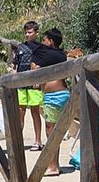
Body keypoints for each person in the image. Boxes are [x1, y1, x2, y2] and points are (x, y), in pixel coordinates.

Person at [29, 28, 73, 174]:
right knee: (56, 131)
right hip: (64, 94)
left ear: (51, 41)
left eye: (45, 40)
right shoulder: (61, 55)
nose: (43, 42)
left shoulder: (44, 54)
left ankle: (53, 166)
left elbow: (34, 69)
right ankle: (55, 164)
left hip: (52, 96)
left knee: (51, 131)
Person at [13, 21, 46, 148]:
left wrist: (39, 80)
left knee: (35, 111)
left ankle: (38, 140)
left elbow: (42, 64)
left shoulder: (40, 48)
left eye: (30, 32)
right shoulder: (21, 47)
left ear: (36, 33)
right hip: (21, 84)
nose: (27, 35)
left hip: (34, 84)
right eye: (25, 32)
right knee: (20, 111)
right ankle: (18, 141)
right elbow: (15, 64)